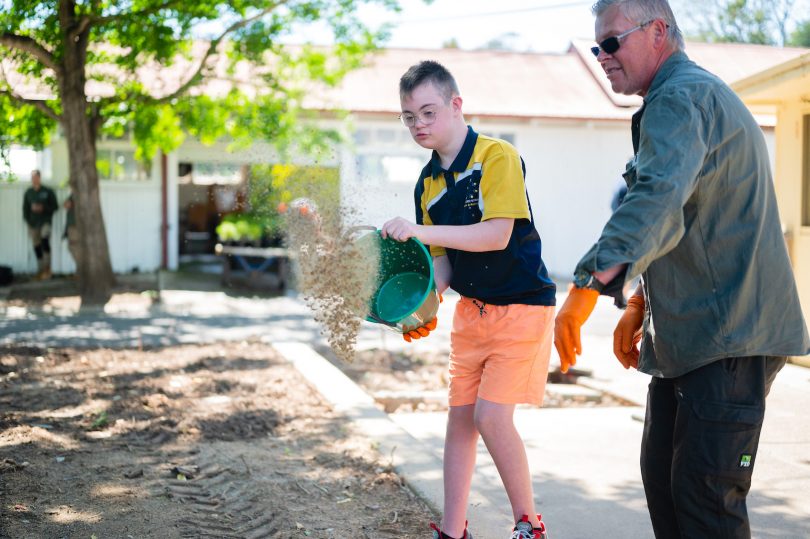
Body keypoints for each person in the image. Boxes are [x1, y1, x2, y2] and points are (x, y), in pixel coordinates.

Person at [553, 1, 810, 538]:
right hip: (697, 341)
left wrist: (586, 288)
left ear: (658, 32)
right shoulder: (679, 98)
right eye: (597, 45)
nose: (602, 56)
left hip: (728, 340)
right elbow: (687, 216)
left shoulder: (681, 95)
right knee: (669, 492)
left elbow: (656, 198)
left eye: (612, 42)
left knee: (703, 509)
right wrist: (643, 304)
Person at [381, 60, 556, 539]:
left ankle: (528, 524)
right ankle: (454, 531)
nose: (418, 124)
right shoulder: (427, 183)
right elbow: (443, 264)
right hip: (471, 313)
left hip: (523, 308)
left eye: (428, 112)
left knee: (490, 416)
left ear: (456, 106)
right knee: (460, 421)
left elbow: (497, 235)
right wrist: (420, 306)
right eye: (408, 116)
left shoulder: (498, 157)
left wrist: (418, 229)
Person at [22, 169, 58, 280]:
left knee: (45, 240)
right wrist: (28, 221)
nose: (34, 180)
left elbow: (55, 207)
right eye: (32, 178)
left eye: (36, 177)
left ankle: (48, 269)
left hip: (45, 222)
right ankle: (40, 269)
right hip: (33, 224)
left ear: (39, 178)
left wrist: (43, 208)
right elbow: (25, 209)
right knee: (36, 245)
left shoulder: (47, 191)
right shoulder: (29, 192)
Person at [63, 192, 80, 267]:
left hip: (75, 226)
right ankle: (81, 269)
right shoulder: (73, 194)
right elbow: (66, 205)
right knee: (74, 247)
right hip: (72, 225)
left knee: (73, 247)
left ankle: (81, 268)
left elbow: (67, 205)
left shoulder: (79, 193)